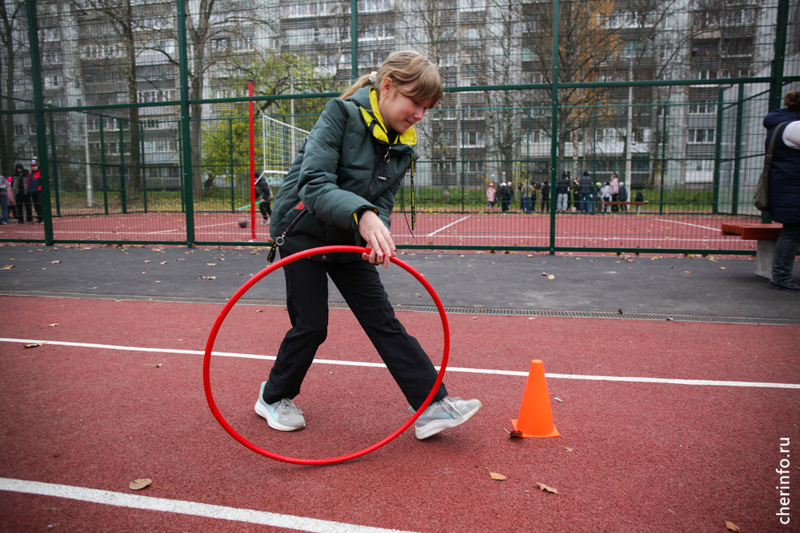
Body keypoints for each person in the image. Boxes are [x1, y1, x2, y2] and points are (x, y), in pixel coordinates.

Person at [261, 50, 482, 439]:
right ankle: (273, 397)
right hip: (301, 234)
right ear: (388, 87)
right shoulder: (340, 115)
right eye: (416, 103)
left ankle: (430, 406)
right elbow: (313, 185)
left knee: (382, 318)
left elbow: (382, 203)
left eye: (427, 108)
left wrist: (378, 232)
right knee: (312, 324)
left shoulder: (402, 146)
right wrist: (363, 215)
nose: (420, 115)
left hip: (349, 238)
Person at [763, 90, 800, 291]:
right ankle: (781, 276)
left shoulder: (781, 123)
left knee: (793, 231)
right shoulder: (794, 127)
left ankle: (781, 276)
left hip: (788, 185)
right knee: (792, 232)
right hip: (791, 187)